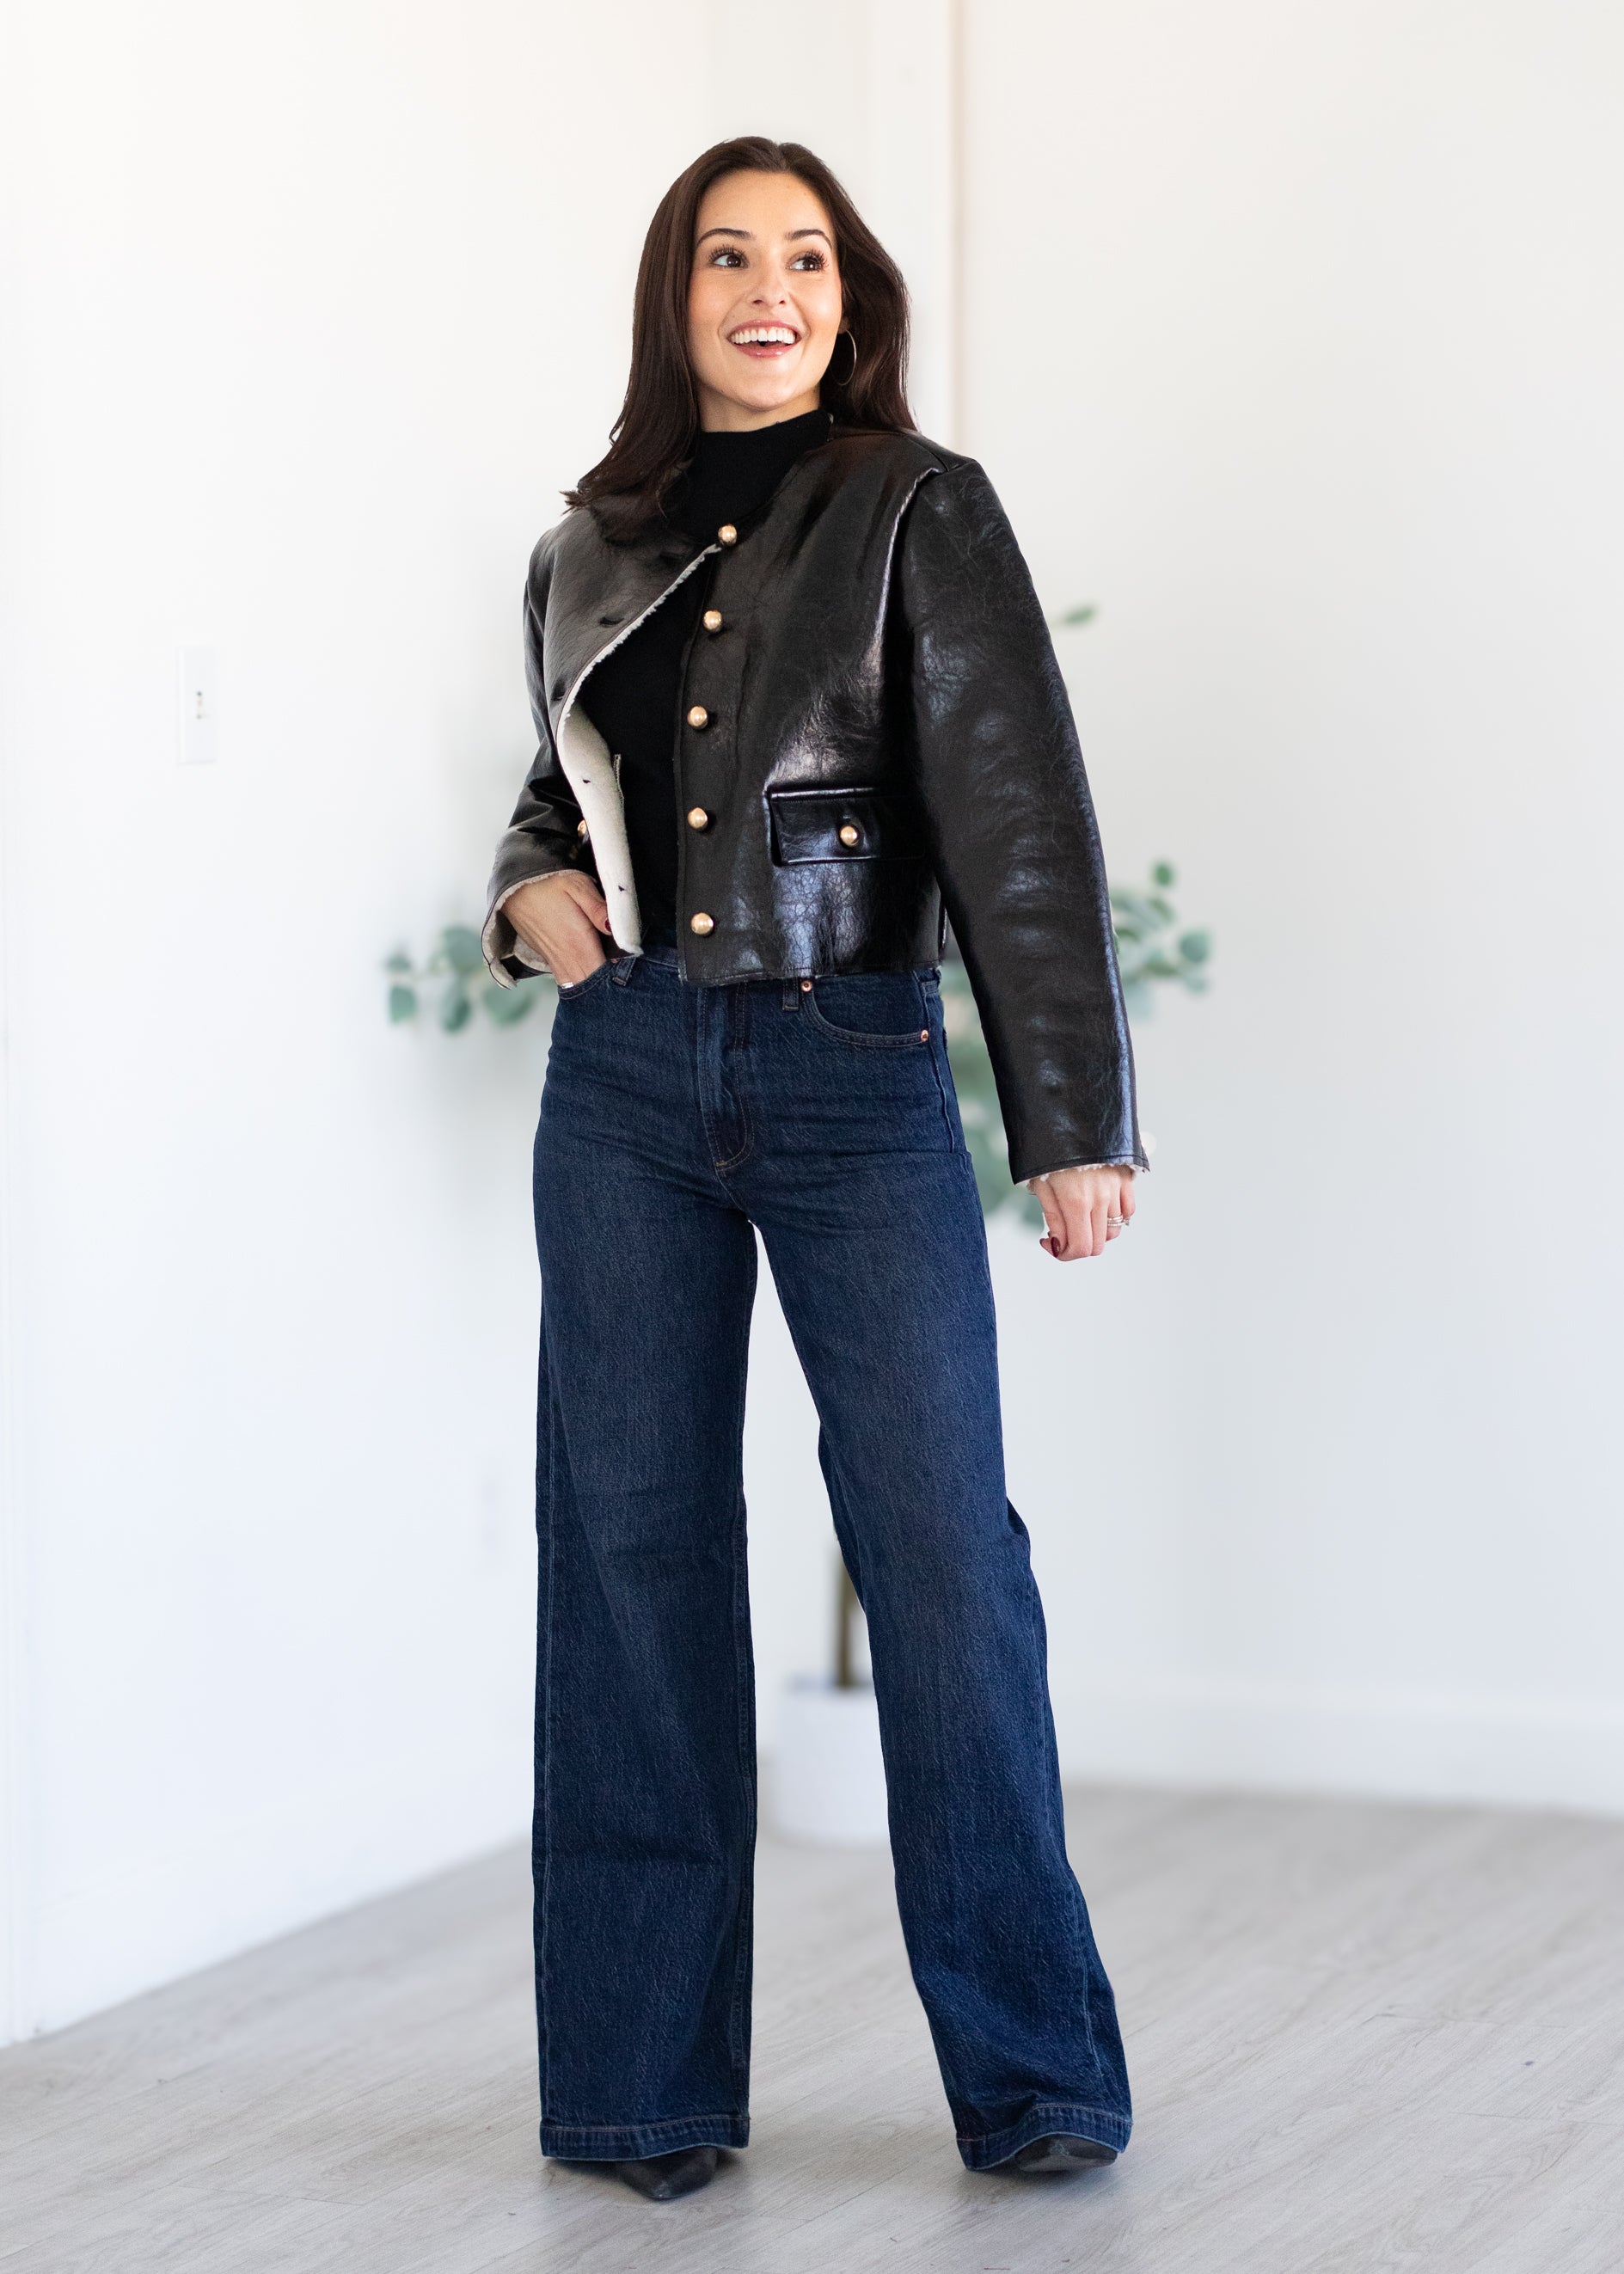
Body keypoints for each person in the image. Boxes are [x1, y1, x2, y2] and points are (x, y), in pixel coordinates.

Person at [481, 136, 1144, 2204]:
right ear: (673, 297)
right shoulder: (582, 543)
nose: (769, 289)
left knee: (944, 1559)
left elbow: (1018, 813)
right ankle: (639, 2090)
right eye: (726, 256)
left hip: (852, 1064)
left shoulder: (916, 506)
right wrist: (525, 895)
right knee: (628, 1564)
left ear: (850, 301)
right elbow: (560, 790)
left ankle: (1036, 2072)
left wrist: (1073, 1117)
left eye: (807, 259)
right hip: (622, 1089)